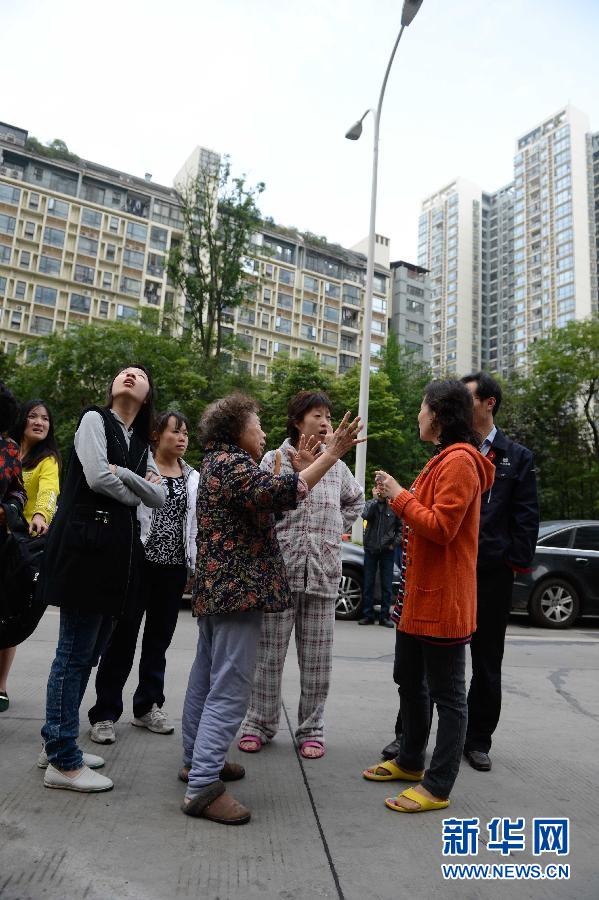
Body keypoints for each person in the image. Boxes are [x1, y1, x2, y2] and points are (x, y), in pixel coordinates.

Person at [180, 393, 363, 825]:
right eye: (255, 424)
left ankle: (196, 761)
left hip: (224, 591)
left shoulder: (220, 464)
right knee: (230, 687)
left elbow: (284, 497)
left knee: (206, 679)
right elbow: (286, 491)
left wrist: (313, 477)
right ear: (236, 430)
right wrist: (332, 454)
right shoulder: (236, 466)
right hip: (238, 592)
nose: (262, 432)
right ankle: (202, 784)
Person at [362, 380, 494, 814]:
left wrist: (399, 496)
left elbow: (440, 527)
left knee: (449, 696)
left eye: (421, 408)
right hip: (416, 599)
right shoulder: (442, 460)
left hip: (443, 602)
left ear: (439, 413)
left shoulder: (460, 462)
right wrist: (396, 495)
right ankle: (411, 761)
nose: (417, 416)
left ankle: (437, 786)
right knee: (409, 680)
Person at [39, 365, 166, 793]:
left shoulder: (141, 443)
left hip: (115, 558)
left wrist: (125, 476)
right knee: (73, 653)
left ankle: (55, 743)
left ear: (147, 395)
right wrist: (136, 488)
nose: (129, 376)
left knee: (88, 652)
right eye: (123, 373)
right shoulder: (94, 420)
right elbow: (95, 476)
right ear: (112, 386)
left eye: (139, 375)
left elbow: (161, 495)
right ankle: (62, 758)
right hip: (84, 551)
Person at [239, 390, 364, 760]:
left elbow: (356, 501)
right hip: (280, 573)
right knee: (268, 657)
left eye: (328, 416)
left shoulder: (337, 466)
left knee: (317, 661)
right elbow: (261, 506)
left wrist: (332, 530)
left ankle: (312, 728)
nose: (326, 423)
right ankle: (259, 723)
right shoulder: (273, 460)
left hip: (323, 575)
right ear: (297, 420)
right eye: (317, 416)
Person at [88, 411, 199, 743]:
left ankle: (148, 705)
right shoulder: (140, 464)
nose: (182, 438)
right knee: (121, 639)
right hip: (137, 563)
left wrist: (192, 566)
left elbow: (194, 525)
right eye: (175, 432)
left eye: (186, 434)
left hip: (173, 569)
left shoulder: (192, 475)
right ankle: (105, 713)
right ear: (156, 435)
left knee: (158, 641)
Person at [461, 372, 539, 772]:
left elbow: (527, 518)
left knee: (487, 660)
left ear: (489, 402)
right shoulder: (452, 449)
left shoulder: (517, 456)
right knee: (431, 656)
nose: (461, 404)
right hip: (452, 569)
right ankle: (410, 733)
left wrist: (511, 561)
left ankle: (477, 741)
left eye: (468, 398)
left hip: (492, 574)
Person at [0, 400, 61, 710]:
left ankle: (1, 686)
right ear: (21, 419)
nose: (40, 422)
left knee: (8, 612)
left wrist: (41, 515)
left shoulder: (47, 460)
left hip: (21, 544)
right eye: (34, 416)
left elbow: (50, 491)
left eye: (46, 418)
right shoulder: (6, 449)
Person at [0, 383, 27, 712]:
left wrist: (7, 511)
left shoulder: (8, 448)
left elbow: (18, 492)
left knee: (3, 614)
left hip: (1, 544)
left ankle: (1, 686)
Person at [358, 482, 402, 626]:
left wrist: (393, 545)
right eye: (379, 488)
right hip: (370, 549)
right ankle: (367, 615)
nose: (381, 490)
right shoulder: (371, 504)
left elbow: (401, 529)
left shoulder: (394, 506)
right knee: (368, 583)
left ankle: (385, 616)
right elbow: (365, 515)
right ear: (375, 490)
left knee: (387, 584)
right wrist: (376, 500)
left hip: (387, 551)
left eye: (383, 488)